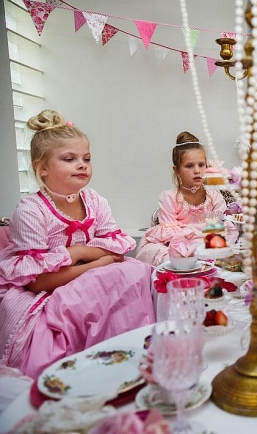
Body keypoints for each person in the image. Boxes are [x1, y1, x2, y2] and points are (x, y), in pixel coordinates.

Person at [0, 110, 155, 379]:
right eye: (69, 159)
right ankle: (84, 370)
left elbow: (116, 246)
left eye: (87, 158)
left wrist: (80, 253)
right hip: (42, 288)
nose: (82, 165)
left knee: (136, 271)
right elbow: (38, 282)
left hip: (79, 274)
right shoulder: (30, 210)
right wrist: (97, 261)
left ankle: (129, 355)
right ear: (42, 167)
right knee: (96, 285)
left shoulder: (94, 201)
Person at [134, 131, 235, 266]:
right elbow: (172, 237)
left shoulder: (214, 196)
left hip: (208, 244)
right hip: (177, 246)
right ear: (177, 170)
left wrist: (193, 233)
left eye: (201, 165)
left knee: (226, 246)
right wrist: (201, 232)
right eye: (189, 166)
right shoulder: (168, 197)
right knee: (163, 255)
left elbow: (218, 230)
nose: (197, 171)